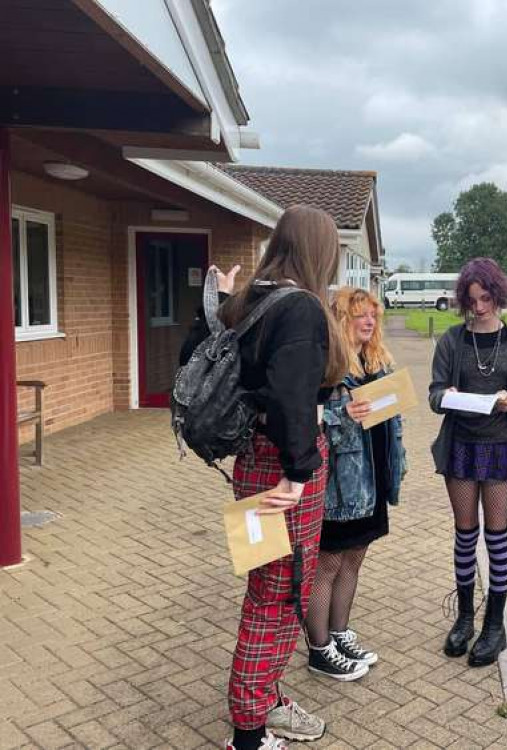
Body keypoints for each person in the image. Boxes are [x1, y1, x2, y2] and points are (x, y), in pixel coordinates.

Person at [180, 205, 348, 750]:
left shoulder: (247, 300)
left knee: (264, 587)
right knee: (278, 600)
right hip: (283, 470)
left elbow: (193, 359)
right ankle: (248, 733)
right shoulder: (298, 307)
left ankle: (267, 700)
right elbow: (290, 397)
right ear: (319, 251)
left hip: (250, 463)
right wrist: (299, 475)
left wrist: (218, 298)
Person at [429, 257, 507, 667]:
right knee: (464, 535)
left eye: (486, 299)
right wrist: (448, 395)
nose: (478, 308)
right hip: (460, 445)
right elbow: (434, 395)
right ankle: (463, 618)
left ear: (499, 294)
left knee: (496, 537)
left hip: (500, 446)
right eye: (471, 300)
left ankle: (495, 624)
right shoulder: (452, 341)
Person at [305, 287, 406, 681]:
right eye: (359, 315)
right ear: (341, 320)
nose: (369, 322)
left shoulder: (377, 360)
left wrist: (399, 462)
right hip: (338, 487)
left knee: (354, 559)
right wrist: (340, 413)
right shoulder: (327, 367)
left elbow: (392, 418)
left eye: (373, 315)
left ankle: (339, 633)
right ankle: (318, 649)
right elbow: (308, 422)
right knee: (327, 564)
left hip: (372, 482)